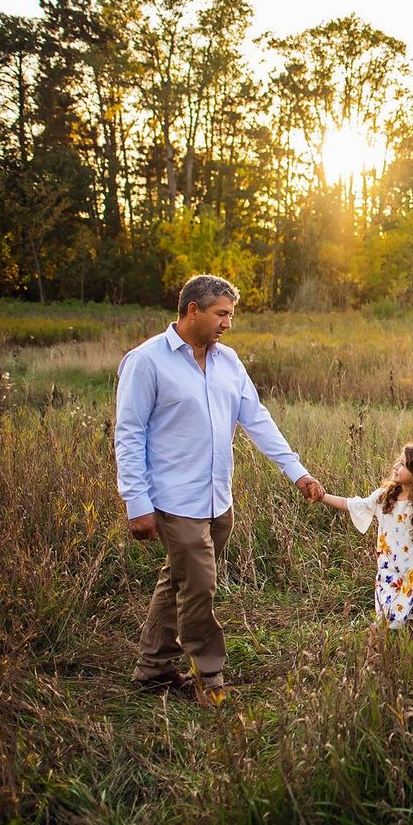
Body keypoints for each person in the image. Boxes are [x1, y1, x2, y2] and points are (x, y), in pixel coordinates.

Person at [115, 274, 324, 704]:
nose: (228, 323)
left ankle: (152, 668)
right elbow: (129, 434)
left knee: (178, 581)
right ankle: (209, 678)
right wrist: (137, 504)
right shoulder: (147, 361)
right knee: (199, 588)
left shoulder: (228, 362)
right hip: (175, 500)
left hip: (218, 500)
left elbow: (257, 420)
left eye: (230, 314)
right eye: (221, 314)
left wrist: (297, 472)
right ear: (193, 310)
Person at [318, 443, 413, 629]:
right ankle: (373, 657)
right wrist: (322, 496)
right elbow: (350, 504)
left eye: (403, 464)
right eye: (398, 462)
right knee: (384, 621)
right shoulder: (384, 497)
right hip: (391, 573)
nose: (395, 466)